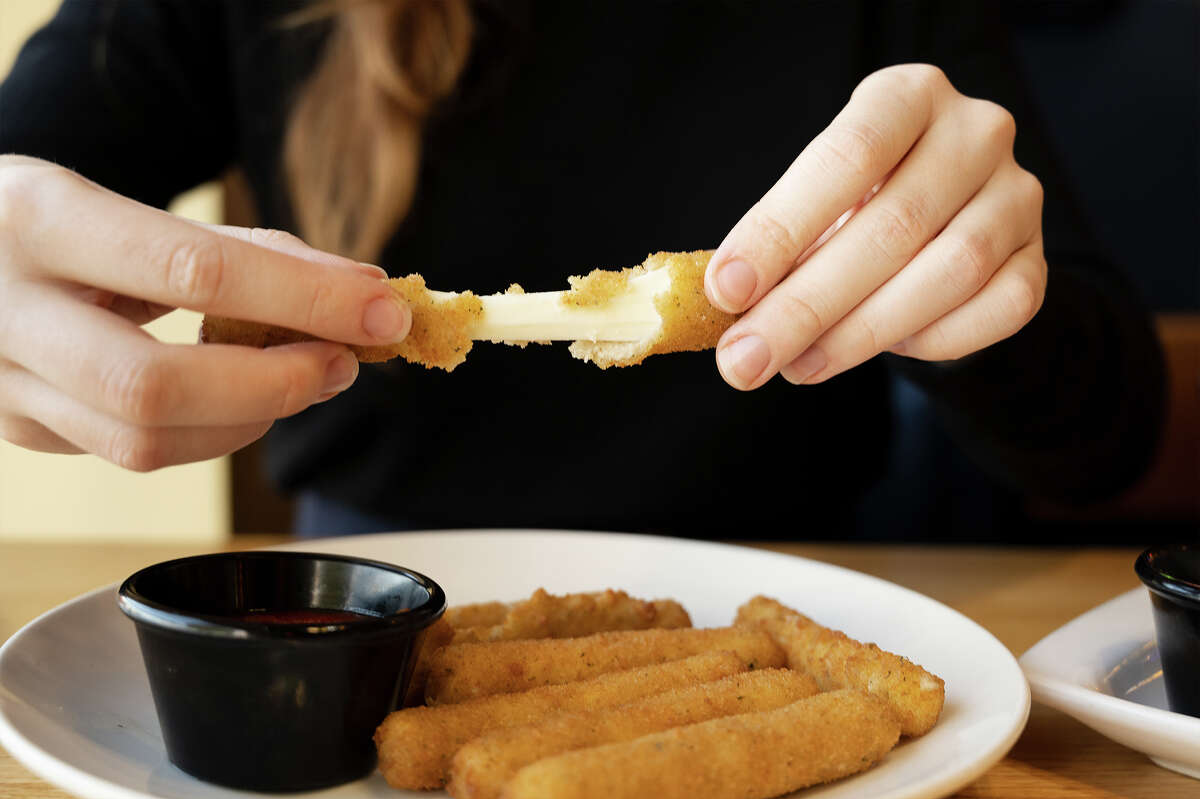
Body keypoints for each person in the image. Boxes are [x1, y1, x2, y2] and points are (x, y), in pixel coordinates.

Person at [0, 1, 1163, 539]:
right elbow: (27, 166)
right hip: (368, 599)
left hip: (793, 570)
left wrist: (983, 291)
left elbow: (1111, 440)